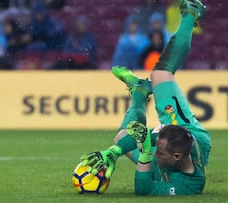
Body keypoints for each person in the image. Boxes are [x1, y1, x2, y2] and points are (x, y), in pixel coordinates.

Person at [80, 0, 211, 196]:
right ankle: (190, 13)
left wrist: (146, 154)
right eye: (157, 149)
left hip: (178, 155)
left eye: (160, 153)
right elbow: (141, 134)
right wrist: (113, 153)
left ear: (175, 157)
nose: (156, 153)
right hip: (185, 126)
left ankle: (139, 93)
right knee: (160, 74)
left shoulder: (190, 185)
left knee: (121, 137)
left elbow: (143, 190)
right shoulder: (169, 145)